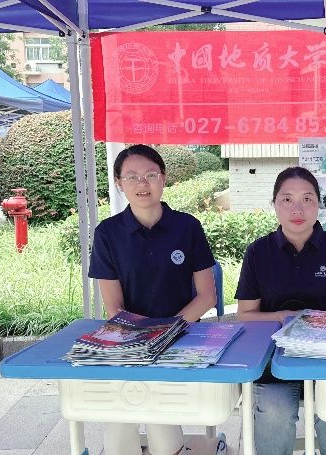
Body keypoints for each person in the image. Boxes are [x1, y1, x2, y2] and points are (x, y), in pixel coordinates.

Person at [89, 144, 217, 455]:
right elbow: (114, 308)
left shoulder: (187, 227)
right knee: (119, 421)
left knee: (161, 419)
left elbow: (207, 296)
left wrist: (167, 332)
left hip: (181, 336)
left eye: (150, 174)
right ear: (119, 183)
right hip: (127, 339)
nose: (142, 184)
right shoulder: (107, 233)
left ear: (164, 178)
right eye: (131, 177)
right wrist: (142, 339)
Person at [235, 166, 326, 455]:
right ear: (274, 204)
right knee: (274, 413)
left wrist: (317, 322)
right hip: (272, 359)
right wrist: (287, 319)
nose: (297, 209)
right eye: (287, 199)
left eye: (307, 199)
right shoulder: (258, 252)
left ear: (318, 204)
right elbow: (246, 315)